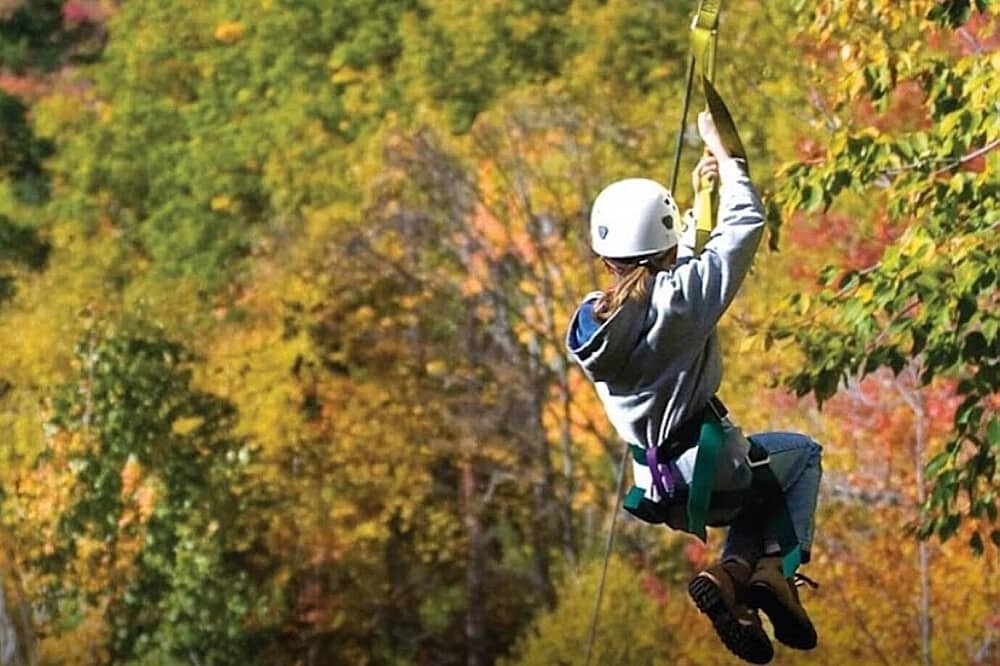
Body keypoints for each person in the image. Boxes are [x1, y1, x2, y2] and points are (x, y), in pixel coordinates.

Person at [566, 110, 823, 664]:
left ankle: (736, 585)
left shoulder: (593, 322)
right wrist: (729, 159)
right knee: (800, 455)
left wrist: (697, 201)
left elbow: (663, 279)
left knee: (759, 493)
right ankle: (774, 576)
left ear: (603, 256)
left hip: (658, 487)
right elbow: (745, 228)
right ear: (664, 248)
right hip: (709, 468)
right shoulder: (680, 302)